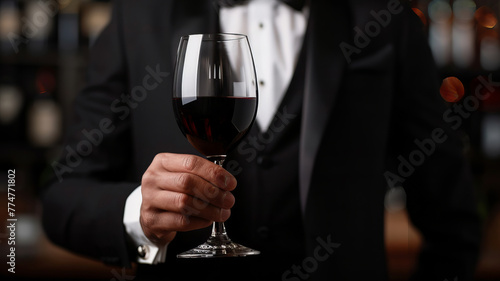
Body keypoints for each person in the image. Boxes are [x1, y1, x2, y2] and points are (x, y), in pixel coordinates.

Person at [42, 0, 481, 280]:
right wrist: (141, 213)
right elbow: (63, 197)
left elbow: (452, 217)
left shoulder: (386, 19)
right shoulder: (138, 17)